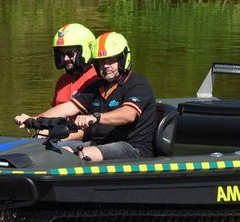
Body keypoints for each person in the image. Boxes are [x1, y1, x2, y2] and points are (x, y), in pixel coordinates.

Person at [15, 31, 157, 161]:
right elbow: (68, 108)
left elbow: (128, 114)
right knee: (57, 152)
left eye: (110, 60)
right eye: (101, 62)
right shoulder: (96, 87)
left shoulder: (137, 83)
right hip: (100, 144)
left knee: (84, 155)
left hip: (133, 148)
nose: (105, 66)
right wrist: (34, 119)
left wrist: (95, 117)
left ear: (122, 59)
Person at [50, 23, 98, 106]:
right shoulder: (63, 80)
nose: (65, 58)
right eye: (62, 53)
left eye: (70, 53)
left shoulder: (96, 78)